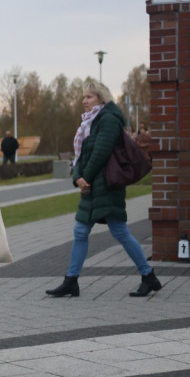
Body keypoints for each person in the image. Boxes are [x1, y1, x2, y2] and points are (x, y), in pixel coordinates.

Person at [46, 81, 161, 299]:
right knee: (80, 232)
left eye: (88, 97)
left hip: (107, 186)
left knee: (120, 232)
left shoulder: (108, 118)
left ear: (100, 97)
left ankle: (149, 276)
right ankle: (71, 281)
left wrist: (84, 178)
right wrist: (78, 177)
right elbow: (81, 155)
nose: (84, 101)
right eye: (83, 98)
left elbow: (101, 151)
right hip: (91, 187)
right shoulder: (88, 123)